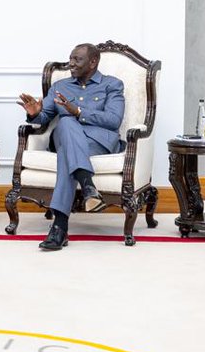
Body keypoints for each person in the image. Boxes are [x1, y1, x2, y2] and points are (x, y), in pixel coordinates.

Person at [17, 43, 125, 250]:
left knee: (67, 142)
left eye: (77, 59)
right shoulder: (60, 86)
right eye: (70, 59)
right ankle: (87, 186)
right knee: (65, 123)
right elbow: (45, 116)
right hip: (65, 138)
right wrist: (34, 113)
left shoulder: (112, 85)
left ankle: (59, 226)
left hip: (98, 143)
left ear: (93, 62)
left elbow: (113, 120)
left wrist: (77, 111)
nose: (71, 64)